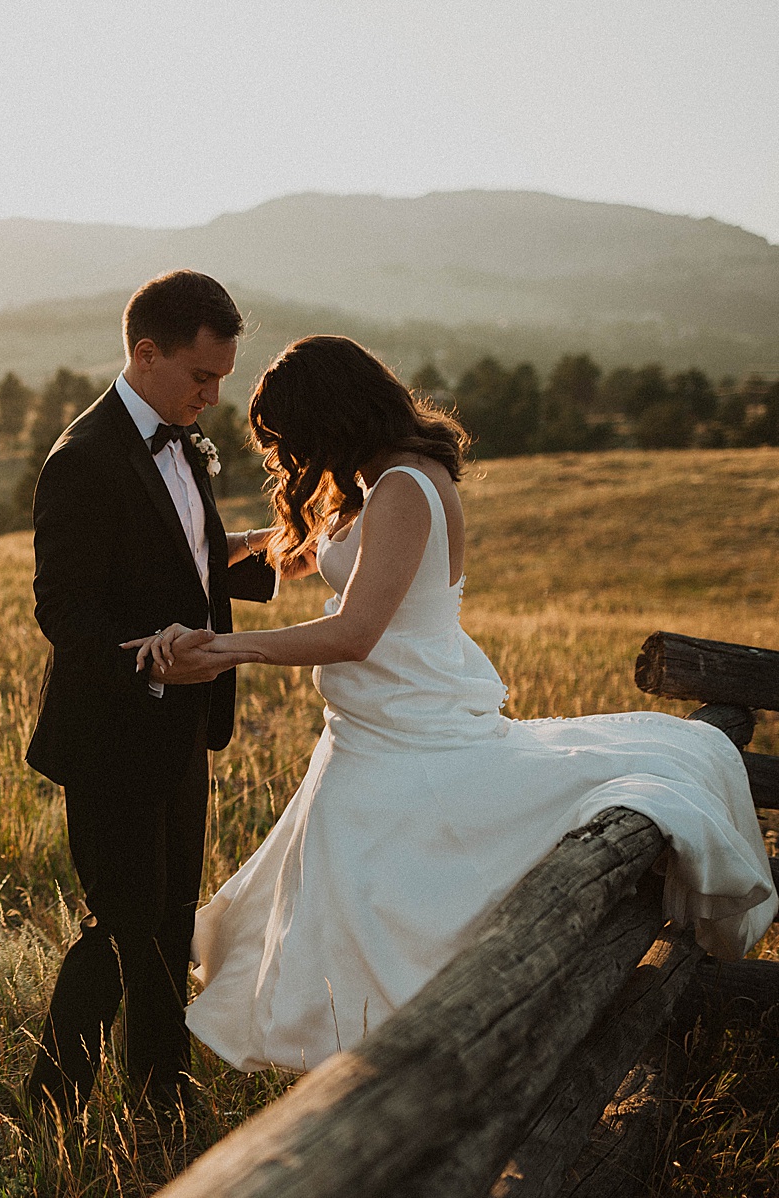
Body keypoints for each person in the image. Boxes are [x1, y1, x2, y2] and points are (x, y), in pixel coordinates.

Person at [129, 335, 776, 1072]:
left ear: (332, 417)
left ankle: (392, 1061)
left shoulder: (405, 487)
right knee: (337, 897)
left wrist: (227, 647)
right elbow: (308, 550)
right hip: (375, 721)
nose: (288, 455)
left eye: (293, 436)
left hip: (407, 724)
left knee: (372, 902)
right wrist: (214, 544)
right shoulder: (385, 479)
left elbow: (356, 631)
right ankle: (362, 1056)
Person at [18, 270, 280, 1126]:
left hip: (185, 729)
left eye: (222, 380)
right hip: (112, 730)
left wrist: (263, 547)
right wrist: (154, 665)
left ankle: (159, 1088)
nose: (213, 396)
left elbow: (182, 551)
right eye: (201, 377)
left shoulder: (182, 438)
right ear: (145, 352)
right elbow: (64, 611)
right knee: (122, 921)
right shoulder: (83, 459)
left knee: (169, 918)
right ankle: (52, 1105)